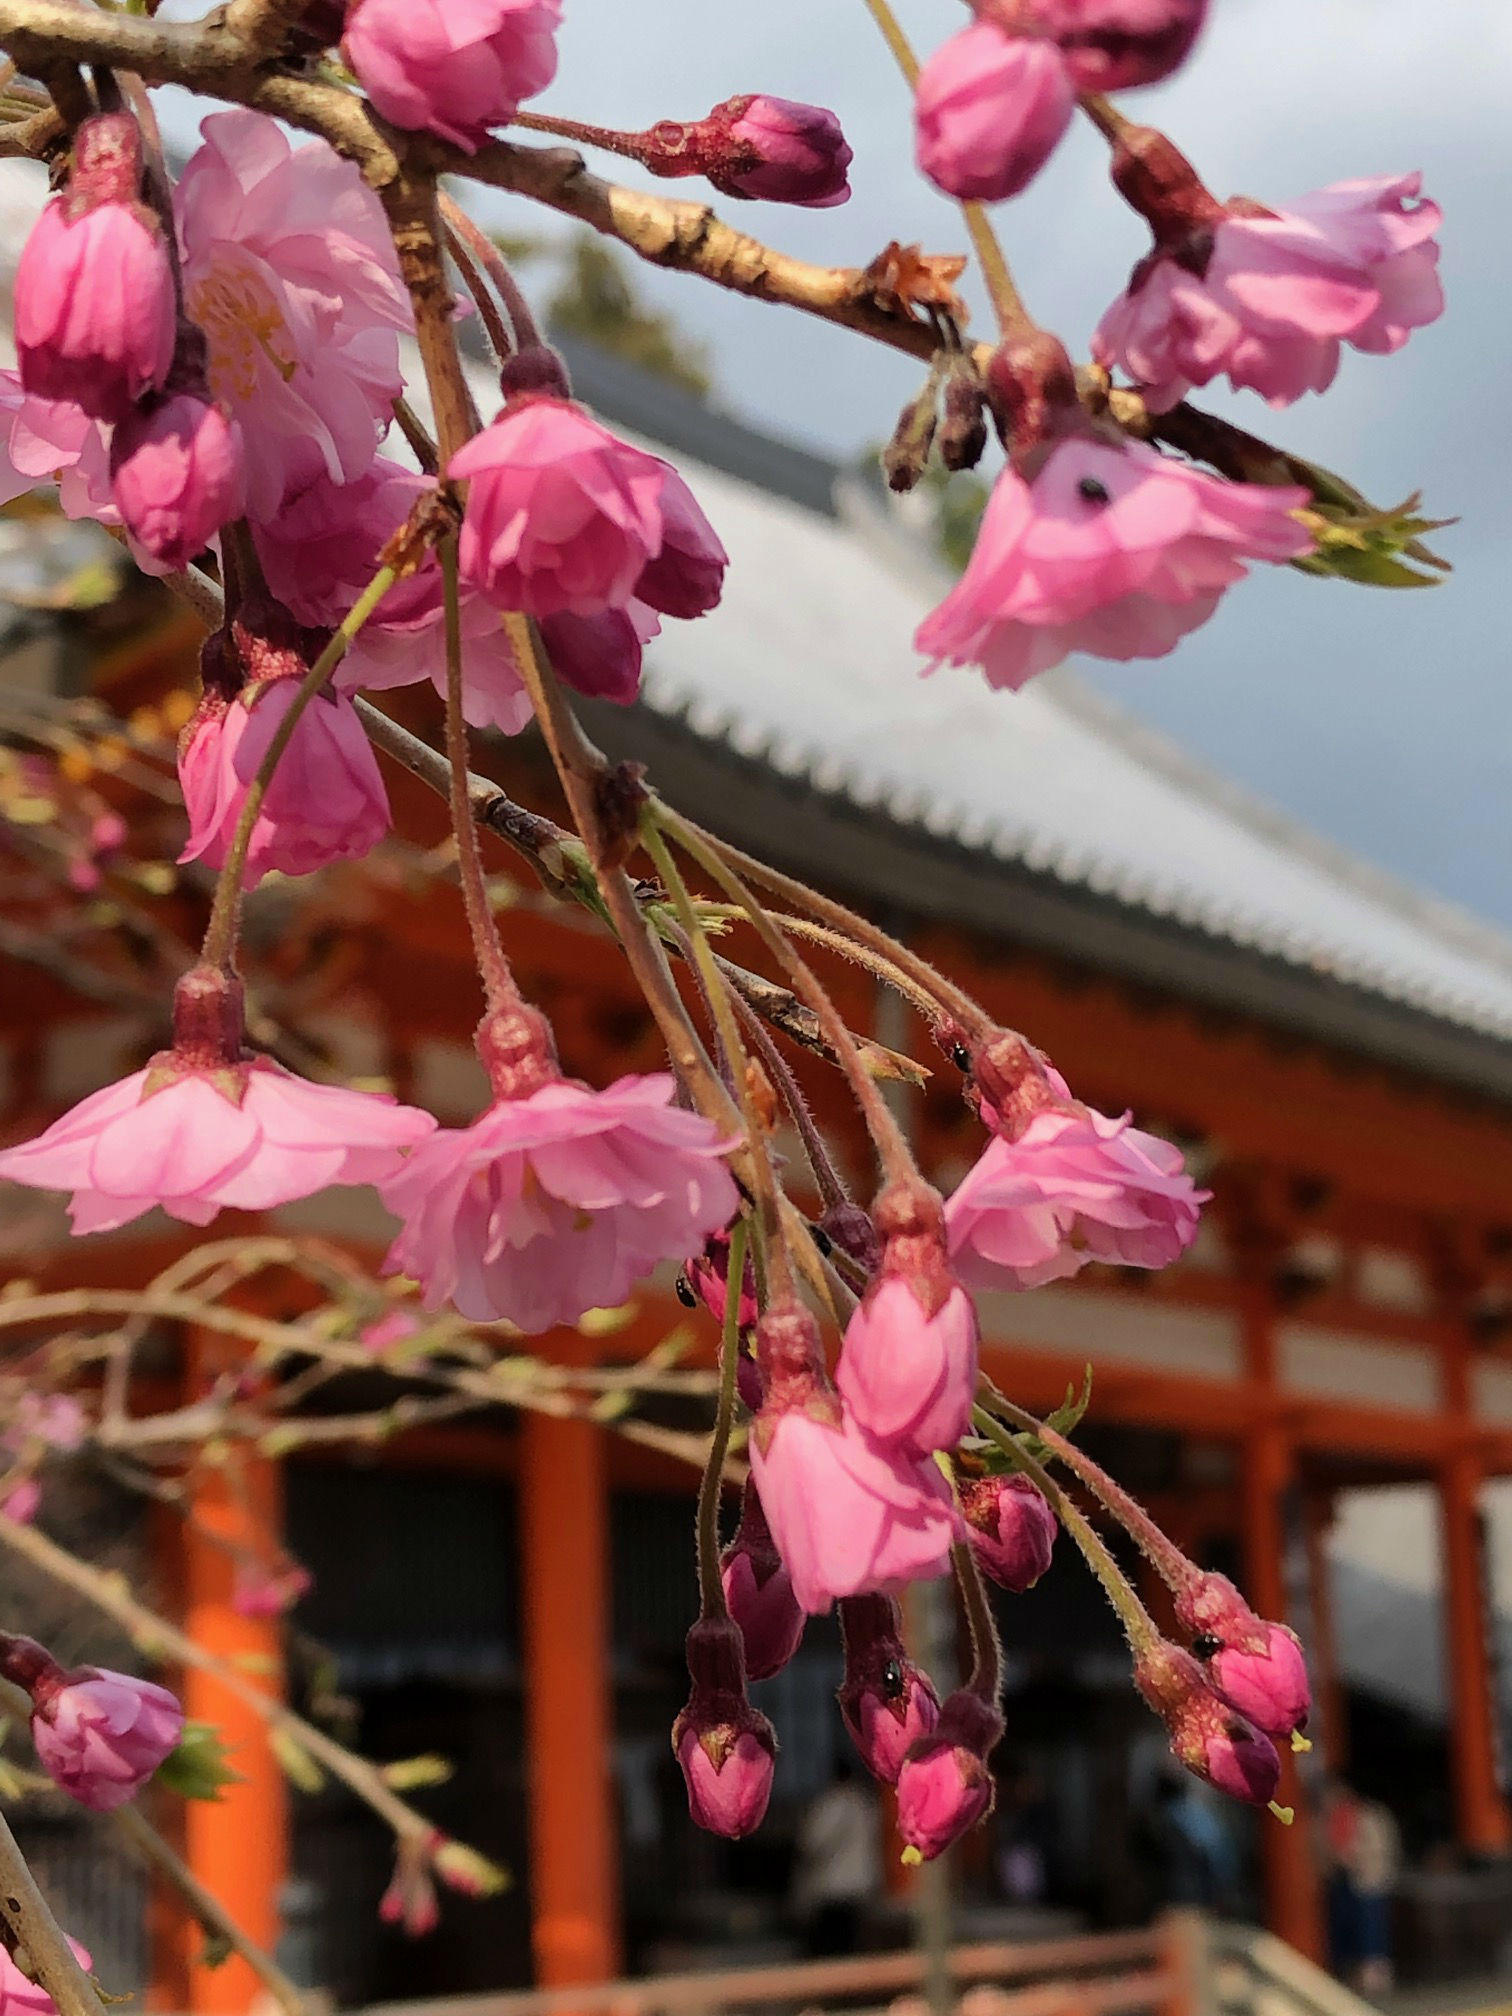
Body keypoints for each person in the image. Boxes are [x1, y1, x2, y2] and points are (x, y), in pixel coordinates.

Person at [791, 1752, 882, 1956]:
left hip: (833, 1888)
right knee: (855, 1946)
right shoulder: (866, 1804)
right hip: (861, 1885)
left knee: (832, 1948)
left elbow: (811, 1844)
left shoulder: (830, 1805)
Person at [1323, 1778, 1401, 1994]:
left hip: (1368, 1879)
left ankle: (1375, 1978)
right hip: (1342, 1880)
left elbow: (1381, 1847)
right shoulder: (1331, 1817)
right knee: (1348, 1929)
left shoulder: (1371, 1815)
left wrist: (1355, 1855)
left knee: (1372, 1929)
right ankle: (1352, 1974)